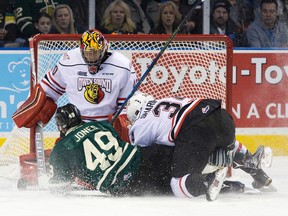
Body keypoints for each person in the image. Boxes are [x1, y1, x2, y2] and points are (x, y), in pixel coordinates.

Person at [48, 103, 246, 199]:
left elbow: (60, 186)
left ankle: (207, 182)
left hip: (129, 180)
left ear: (61, 125)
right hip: (144, 155)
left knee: (174, 186)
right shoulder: (102, 126)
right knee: (183, 156)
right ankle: (218, 163)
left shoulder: (60, 150)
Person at [126, 93, 273, 198]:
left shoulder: (139, 125)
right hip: (220, 115)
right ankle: (255, 167)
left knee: (178, 184)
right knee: (227, 145)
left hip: (197, 132)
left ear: (134, 114)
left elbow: (141, 157)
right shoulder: (165, 100)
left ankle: (209, 181)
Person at [12, 29, 136, 132]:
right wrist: (41, 104)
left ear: (104, 49)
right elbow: (48, 89)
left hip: (107, 126)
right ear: (81, 51)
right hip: (75, 125)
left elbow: (126, 106)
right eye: (88, 53)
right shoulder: (69, 60)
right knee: (61, 153)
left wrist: (120, 127)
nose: (92, 57)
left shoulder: (122, 65)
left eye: (96, 53)